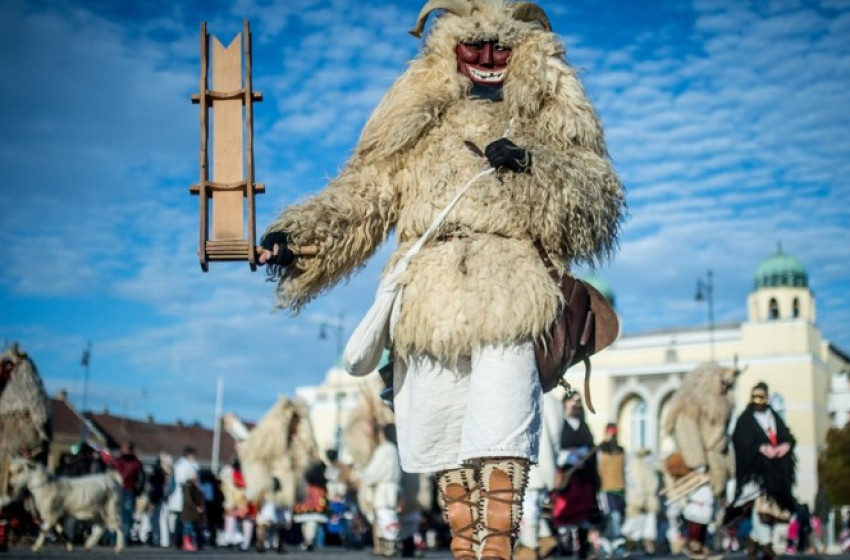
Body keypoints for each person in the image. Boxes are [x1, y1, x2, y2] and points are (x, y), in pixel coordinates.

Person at [257, 3, 625, 560]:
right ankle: (464, 549)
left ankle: (497, 550)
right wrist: (297, 237)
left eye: (499, 48)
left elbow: (594, 197)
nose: (485, 60)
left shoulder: (549, 114)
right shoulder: (416, 124)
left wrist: (531, 165)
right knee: (442, 436)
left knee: (502, 433)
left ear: (521, 51)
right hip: (428, 297)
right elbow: (362, 195)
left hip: (509, 289)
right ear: (449, 49)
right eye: (472, 47)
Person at [663, 362, 738, 560]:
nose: (725, 387)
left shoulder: (724, 404)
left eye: (728, 384)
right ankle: (693, 542)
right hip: (699, 461)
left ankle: (700, 543)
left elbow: (724, 437)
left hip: (716, 461)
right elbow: (686, 428)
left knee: (710, 504)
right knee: (700, 502)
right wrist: (698, 461)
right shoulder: (693, 401)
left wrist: (728, 464)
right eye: (722, 383)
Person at [731, 382, 796, 560]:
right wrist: (760, 448)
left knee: (771, 511)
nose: (758, 401)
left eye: (761, 397)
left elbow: (786, 435)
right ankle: (766, 544)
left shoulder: (773, 417)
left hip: (774, 473)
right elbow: (740, 441)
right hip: (754, 472)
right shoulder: (745, 420)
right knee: (760, 508)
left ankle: (753, 540)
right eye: (755, 397)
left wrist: (784, 446)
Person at [551, 392, 601, 560]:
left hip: (583, 477)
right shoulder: (560, 424)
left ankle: (583, 548)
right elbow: (555, 448)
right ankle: (563, 545)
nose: (575, 407)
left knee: (583, 514)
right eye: (572, 403)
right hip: (566, 478)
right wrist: (569, 457)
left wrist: (583, 455)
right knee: (564, 513)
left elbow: (590, 447)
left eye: (577, 404)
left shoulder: (583, 426)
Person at [515, 391, 561, 560]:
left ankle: (529, 547)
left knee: (528, 508)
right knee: (535, 506)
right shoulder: (555, 404)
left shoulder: (526, 396)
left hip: (527, 459)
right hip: (545, 463)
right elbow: (556, 441)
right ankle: (545, 538)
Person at [361, 423, 402, 557]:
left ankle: (389, 547)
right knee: (389, 517)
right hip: (393, 488)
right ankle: (388, 546)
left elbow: (373, 472)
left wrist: (365, 475)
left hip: (383, 489)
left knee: (385, 518)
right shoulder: (396, 449)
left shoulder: (384, 450)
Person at [620, 449, 659, 555]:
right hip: (637, 498)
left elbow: (652, 485)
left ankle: (646, 545)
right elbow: (636, 485)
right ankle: (630, 544)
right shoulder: (635, 467)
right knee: (635, 522)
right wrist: (640, 499)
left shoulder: (650, 468)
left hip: (649, 499)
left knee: (649, 523)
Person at [598, 423, 626, 556]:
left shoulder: (621, 450)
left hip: (620, 488)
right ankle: (610, 543)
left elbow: (625, 469)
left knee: (619, 517)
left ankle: (616, 544)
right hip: (606, 488)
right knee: (612, 516)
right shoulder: (601, 449)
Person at [112, 441, 145, 545]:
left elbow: (141, 478)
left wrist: (138, 490)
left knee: (120, 515)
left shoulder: (117, 461)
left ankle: (118, 539)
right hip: (123, 490)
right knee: (121, 515)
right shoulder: (135, 463)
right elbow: (141, 478)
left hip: (124, 490)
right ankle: (119, 539)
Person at [293, 458, 329, 551]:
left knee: (306, 522)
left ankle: (308, 541)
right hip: (314, 499)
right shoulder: (321, 475)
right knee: (311, 522)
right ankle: (308, 541)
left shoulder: (304, 470)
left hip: (307, 499)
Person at [168, 446, 200, 549]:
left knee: (179, 520)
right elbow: (187, 480)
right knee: (187, 520)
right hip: (186, 496)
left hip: (180, 497)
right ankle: (187, 542)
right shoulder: (188, 466)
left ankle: (178, 542)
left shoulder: (179, 465)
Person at [181, 470, 205, 552]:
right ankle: (187, 544)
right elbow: (188, 500)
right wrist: (196, 507)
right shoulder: (188, 486)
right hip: (188, 512)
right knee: (188, 528)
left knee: (192, 529)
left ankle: (190, 543)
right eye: (195, 475)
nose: (197, 476)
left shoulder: (197, 486)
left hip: (194, 513)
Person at [147, 454, 168, 547]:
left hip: (155, 498)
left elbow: (154, 488)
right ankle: (157, 538)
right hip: (159, 498)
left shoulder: (156, 474)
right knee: (157, 519)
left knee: (154, 519)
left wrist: (151, 501)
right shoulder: (162, 474)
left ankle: (155, 538)